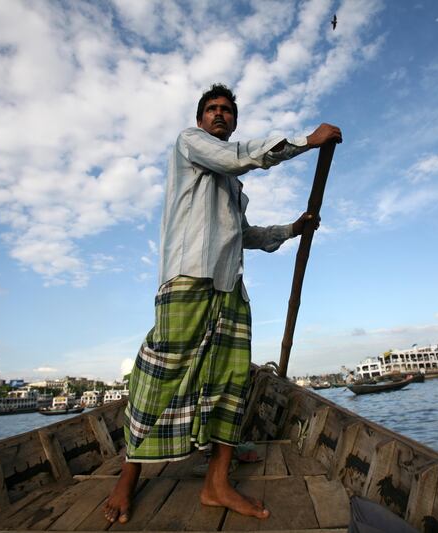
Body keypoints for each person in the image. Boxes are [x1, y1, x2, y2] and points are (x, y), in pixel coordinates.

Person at [103, 83, 342, 523]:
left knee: (231, 383)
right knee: (160, 375)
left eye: (227, 111)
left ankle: (217, 483)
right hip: (188, 280)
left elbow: (244, 235)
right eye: (212, 109)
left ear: (234, 121)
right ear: (201, 120)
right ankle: (128, 476)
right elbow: (238, 156)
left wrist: (291, 230)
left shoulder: (232, 187)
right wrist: (307, 141)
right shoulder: (190, 143)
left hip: (229, 288)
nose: (219, 115)